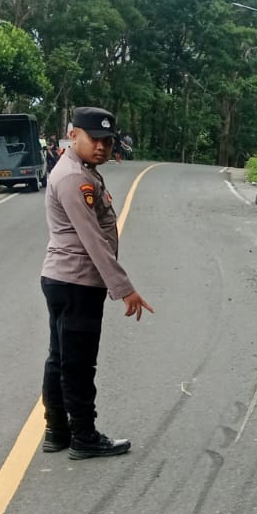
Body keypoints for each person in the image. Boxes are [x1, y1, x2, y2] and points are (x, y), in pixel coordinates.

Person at [40, 106, 155, 460]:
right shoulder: (75, 178)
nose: (102, 147)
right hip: (77, 282)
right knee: (77, 363)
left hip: (63, 279)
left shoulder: (78, 169)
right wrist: (124, 289)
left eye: (108, 141)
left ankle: (57, 430)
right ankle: (84, 436)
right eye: (95, 139)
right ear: (73, 135)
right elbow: (93, 241)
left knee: (60, 358)